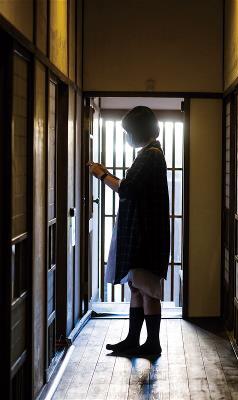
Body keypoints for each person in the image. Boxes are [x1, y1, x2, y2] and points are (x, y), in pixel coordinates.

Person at [88, 106, 170, 356]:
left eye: (128, 132)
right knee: (136, 286)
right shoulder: (149, 153)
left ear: (138, 131)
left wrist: (102, 175)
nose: (127, 137)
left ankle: (152, 343)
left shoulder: (151, 155)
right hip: (143, 233)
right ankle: (133, 339)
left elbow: (128, 189)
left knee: (147, 289)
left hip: (146, 236)